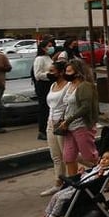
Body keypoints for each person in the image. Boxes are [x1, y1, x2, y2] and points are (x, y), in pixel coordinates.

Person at [36, 150, 109, 217]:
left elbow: (97, 180)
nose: (104, 160)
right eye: (102, 158)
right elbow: (88, 176)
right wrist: (83, 173)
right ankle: (47, 215)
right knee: (56, 195)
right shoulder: (97, 167)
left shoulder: (107, 171)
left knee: (61, 199)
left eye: (107, 158)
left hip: (84, 189)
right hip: (79, 184)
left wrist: (99, 175)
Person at [56, 60, 99, 176]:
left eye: (69, 71)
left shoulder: (85, 86)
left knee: (89, 155)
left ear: (78, 72)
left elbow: (85, 107)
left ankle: (105, 173)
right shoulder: (70, 85)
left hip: (81, 126)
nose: (66, 73)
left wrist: (68, 120)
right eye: (66, 71)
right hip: (69, 127)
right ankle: (73, 184)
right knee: (68, 157)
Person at [39, 60, 70, 197]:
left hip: (62, 124)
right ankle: (59, 183)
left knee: (68, 155)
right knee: (56, 156)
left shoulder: (68, 86)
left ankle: (97, 164)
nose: (49, 73)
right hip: (50, 123)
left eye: (52, 71)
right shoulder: (53, 85)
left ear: (61, 72)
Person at [32, 37, 56, 141]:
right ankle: (42, 131)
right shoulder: (39, 59)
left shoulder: (48, 57)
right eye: (49, 46)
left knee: (50, 108)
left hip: (50, 84)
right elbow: (37, 74)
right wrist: (49, 74)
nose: (52, 48)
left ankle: (49, 129)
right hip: (43, 85)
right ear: (43, 48)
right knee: (43, 108)